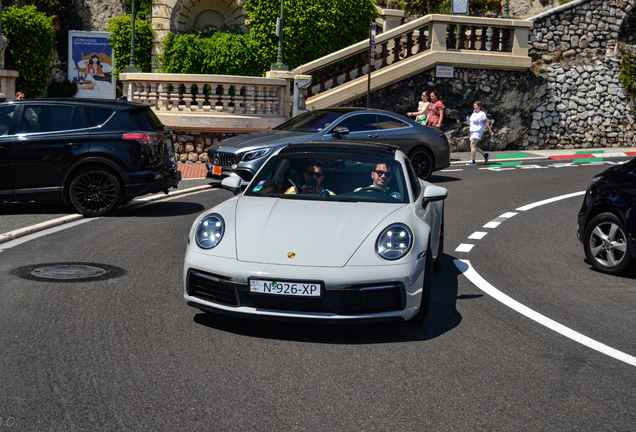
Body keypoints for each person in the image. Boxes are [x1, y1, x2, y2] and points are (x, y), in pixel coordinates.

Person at [466, 101, 493, 166]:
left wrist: (490, 131)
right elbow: (471, 122)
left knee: (472, 144)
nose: (474, 107)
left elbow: (486, 123)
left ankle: (472, 160)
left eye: (475, 105)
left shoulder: (482, 114)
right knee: (473, 146)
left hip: (478, 131)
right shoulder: (473, 113)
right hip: (472, 130)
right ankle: (485, 155)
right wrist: (468, 122)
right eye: (474, 105)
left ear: (479, 106)